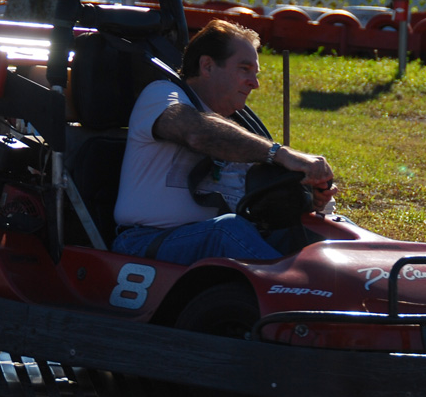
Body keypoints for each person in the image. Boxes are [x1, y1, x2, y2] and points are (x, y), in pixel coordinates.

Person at [111, 19, 336, 263]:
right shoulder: (161, 95)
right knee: (227, 230)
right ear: (207, 66)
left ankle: (365, 279)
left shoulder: (240, 128)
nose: (255, 83)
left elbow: (261, 204)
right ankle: (294, 290)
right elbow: (197, 133)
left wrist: (307, 199)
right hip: (144, 243)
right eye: (244, 69)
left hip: (219, 239)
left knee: (310, 228)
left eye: (255, 73)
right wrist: (280, 154)